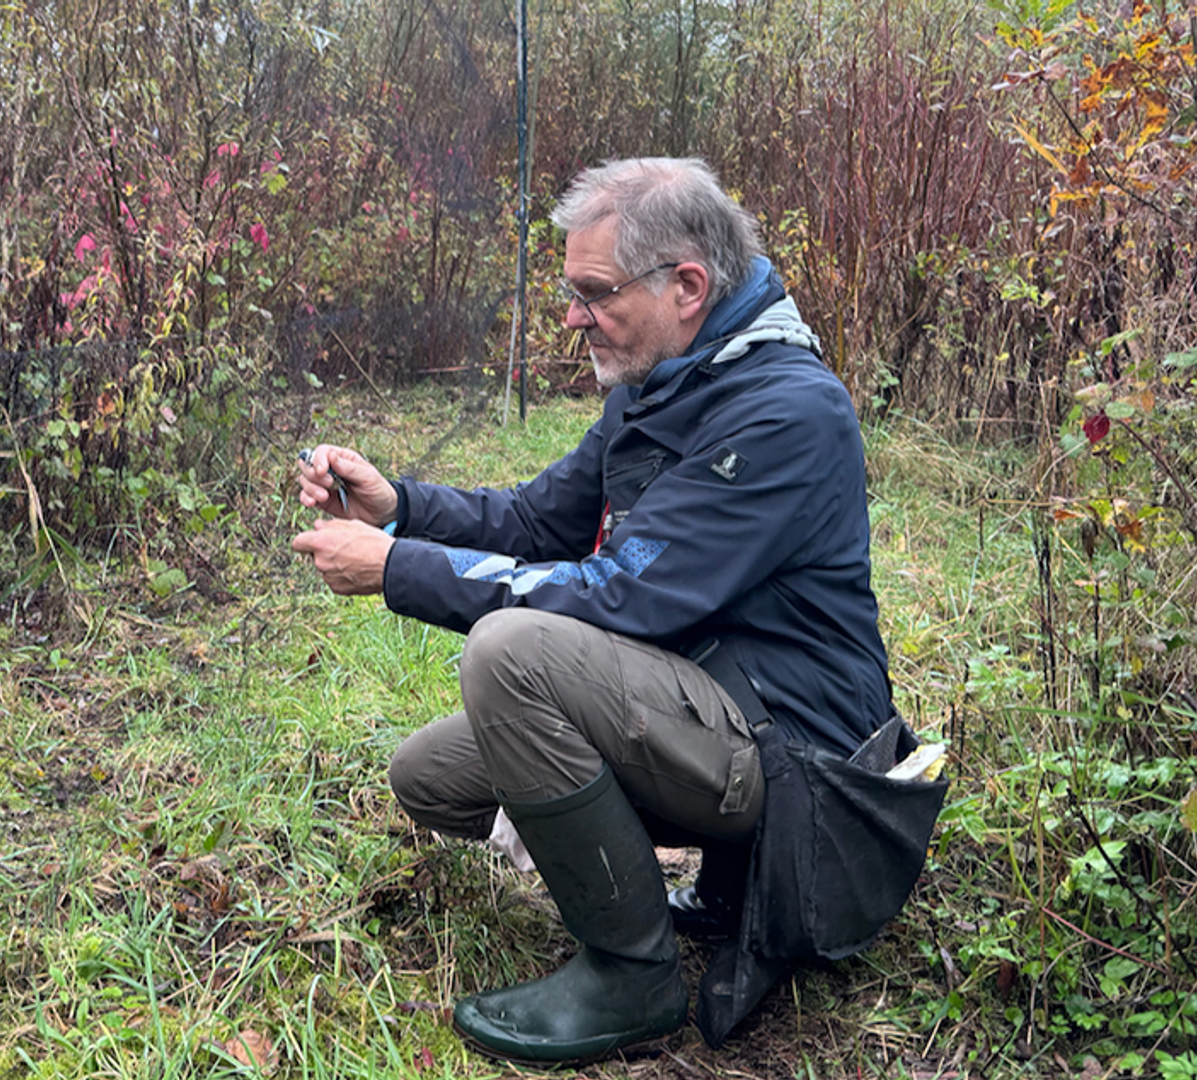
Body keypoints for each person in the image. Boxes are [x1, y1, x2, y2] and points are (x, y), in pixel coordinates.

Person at [290, 157, 892, 1065]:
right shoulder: (667, 382)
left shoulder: (785, 413)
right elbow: (538, 521)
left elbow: (620, 597)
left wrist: (397, 569)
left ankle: (631, 973)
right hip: (711, 698)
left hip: (798, 758)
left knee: (511, 653)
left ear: (687, 286)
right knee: (432, 775)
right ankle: (706, 892)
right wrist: (399, 508)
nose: (572, 317)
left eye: (594, 293)